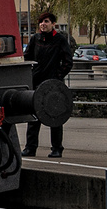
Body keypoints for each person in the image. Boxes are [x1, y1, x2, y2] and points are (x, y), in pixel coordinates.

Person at [23, 11, 74, 158]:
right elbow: (27, 57)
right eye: (41, 22)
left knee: (55, 116)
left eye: (46, 21)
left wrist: (57, 76)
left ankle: (57, 148)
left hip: (53, 84)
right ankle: (30, 147)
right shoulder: (35, 39)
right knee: (33, 116)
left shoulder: (60, 40)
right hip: (37, 81)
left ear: (53, 24)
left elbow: (67, 62)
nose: (42, 24)